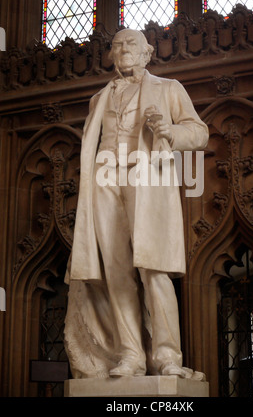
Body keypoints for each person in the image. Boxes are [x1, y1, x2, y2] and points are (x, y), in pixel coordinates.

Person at [64, 28, 209, 379]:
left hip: (147, 181)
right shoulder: (98, 99)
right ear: (111, 55)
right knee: (116, 274)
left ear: (147, 53)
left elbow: (199, 132)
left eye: (131, 43)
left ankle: (167, 357)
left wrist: (170, 133)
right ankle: (130, 355)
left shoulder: (169, 88)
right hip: (104, 182)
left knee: (154, 269)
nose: (123, 48)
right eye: (117, 45)